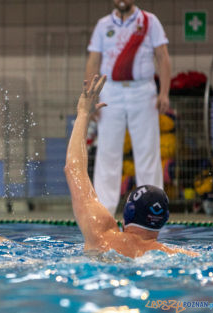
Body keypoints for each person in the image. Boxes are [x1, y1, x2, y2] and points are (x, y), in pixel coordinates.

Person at [65, 75, 197, 258]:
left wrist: (83, 114)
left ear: (127, 214)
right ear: (164, 220)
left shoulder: (100, 235)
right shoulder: (176, 254)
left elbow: (74, 169)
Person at [85, 0, 171, 215]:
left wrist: (164, 93)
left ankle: (152, 209)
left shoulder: (150, 21)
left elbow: (163, 57)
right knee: (107, 151)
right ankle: (104, 212)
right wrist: (91, 99)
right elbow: (93, 61)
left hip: (143, 91)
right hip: (110, 91)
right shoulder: (103, 24)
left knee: (148, 151)